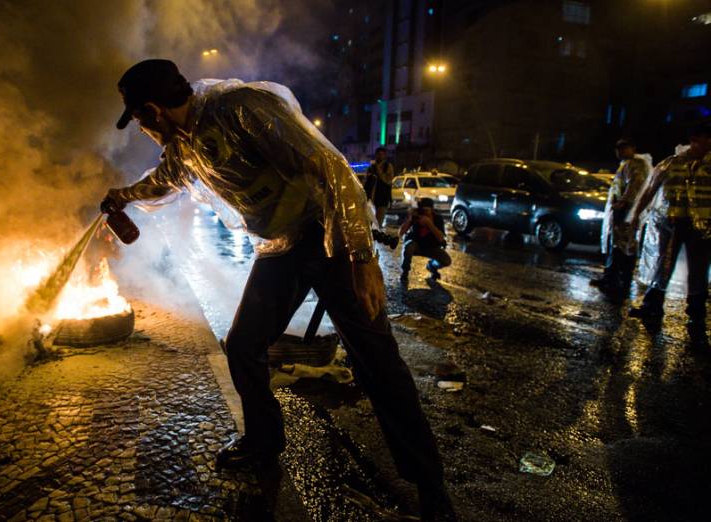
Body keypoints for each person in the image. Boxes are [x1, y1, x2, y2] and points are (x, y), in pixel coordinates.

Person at [102, 59, 455, 520]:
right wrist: (123, 196)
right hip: (283, 247)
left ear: (152, 111)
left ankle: (431, 487)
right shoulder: (184, 147)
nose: (143, 131)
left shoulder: (238, 108)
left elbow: (330, 169)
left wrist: (362, 257)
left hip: (327, 237)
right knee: (244, 344)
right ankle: (262, 442)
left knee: (376, 362)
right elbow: (165, 183)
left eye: (140, 121)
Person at [628, 122, 711, 340]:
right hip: (671, 224)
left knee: (699, 270)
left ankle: (696, 312)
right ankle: (652, 304)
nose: (709, 143)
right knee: (662, 264)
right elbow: (650, 190)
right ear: (694, 140)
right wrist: (636, 214)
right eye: (706, 139)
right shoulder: (671, 164)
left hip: (702, 227)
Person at [591, 138, 650, 295]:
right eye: (618, 148)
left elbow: (634, 186)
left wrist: (622, 203)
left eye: (625, 148)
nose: (620, 151)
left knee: (623, 247)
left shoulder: (636, 164)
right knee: (616, 245)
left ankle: (620, 283)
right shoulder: (625, 164)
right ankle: (610, 278)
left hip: (627, 212)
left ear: (633, 148)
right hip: (621, 211)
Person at [398, 198, 450, 281]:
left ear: (432, 209)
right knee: (409, 246)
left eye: (427, 210)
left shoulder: (437, 218)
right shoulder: (416, 216)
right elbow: (401, 232)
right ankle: (405, 271)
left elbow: (440, 238)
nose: (425, 213)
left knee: (446, 260)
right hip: (417, 245)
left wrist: (430, 224)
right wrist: (410, 220)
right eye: (423, 211)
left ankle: (431, 266)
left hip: (432, 247)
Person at [364, 147, 394, 227]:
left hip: (382, 198)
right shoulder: (371, 167)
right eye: (378, 154)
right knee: (369, 222)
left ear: (384, 156)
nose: (380, 156)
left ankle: (376, 238)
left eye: (382, 154)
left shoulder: (387, 167)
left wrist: (379, 172)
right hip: (371, 198)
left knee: (378, 223)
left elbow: (388, 182)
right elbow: (366, 181)